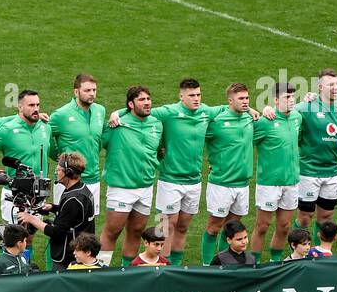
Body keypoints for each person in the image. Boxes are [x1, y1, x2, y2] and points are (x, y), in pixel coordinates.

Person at [141, 78, 222, 266]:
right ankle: (160, 265)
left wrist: (252, 110)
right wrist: (117, 115)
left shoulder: (205, 112)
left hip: (194, 181)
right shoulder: (168, 112)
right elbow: (139, 112)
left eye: (199, 94)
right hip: (169, 180)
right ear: (181, 96)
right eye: (192, 95)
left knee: (183, 227)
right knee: (163, 228)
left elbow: (228, 108)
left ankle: (175, 267)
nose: (196, 99)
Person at [99, 86, 163, 266]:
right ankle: (100, 271)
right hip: (121, 187)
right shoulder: (117, 124)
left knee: (136, 231)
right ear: (130, 104)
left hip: (145, 186)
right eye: (142, 100)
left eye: (148, 99)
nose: (147, 102)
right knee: (113, 231)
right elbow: (99, 142)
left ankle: (127, 272)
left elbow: (156, 150)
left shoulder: (157, 124)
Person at [0, 90, 51, 265]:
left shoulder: (45, 127)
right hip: (15, 195)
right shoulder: (7, 130)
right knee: (13, 236)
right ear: (20, 107)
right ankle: (8, 269)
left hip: (39, 194)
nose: (36, 109)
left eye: (37, 105)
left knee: (29, 236)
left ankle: (25, 269)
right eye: (31, 105)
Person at [200, 84, 257, 265]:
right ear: (230, 101)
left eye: (247, 98)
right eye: (241, 99)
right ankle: (208, 267)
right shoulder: (216, 119)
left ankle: (225, 261)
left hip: (242, 183)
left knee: (231, 228)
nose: (245, 102)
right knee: (214, 228)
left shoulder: (250, 117)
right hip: (221, 183)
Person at [47, 74, 106, 238]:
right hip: (68, 180)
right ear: (76, 92)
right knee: (60, 228)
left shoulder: (100, 111)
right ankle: (55, 264)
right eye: (87, 90)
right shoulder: (61, 115)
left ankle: (83, 263)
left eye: (94, 90)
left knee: (86, 228)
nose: (92, 94)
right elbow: (45, 136)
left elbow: (100, 137)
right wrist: (58, 157)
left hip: (93, 178)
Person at [16, 152, 96, 271]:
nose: (56, 172)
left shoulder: (73, 199)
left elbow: (56, 232)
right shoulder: (81, 189)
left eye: (59, 170)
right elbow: (76, 215)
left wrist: (31, 219)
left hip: (68, 257)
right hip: (82, 248)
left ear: (67, 173)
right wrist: (54, 207)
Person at [251, 83, 302, 262]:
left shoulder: (297, 117)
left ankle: (275, 263)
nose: (291, 101)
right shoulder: (265, 121)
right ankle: (254, 265)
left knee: (284, 226)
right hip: (269, 182)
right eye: (287, 97)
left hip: (292, 181)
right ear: (276, 100)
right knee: (262, 226)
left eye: (293, 97)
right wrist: (262, 110)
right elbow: (245, 141)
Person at [295, 68, 337, 233]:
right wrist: (267, 110)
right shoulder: (306, 107)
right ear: (320, 87)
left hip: (331, 171)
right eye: (330, 84)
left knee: (326, 217)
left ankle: (318, 254)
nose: (335, 87)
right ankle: (297, 254)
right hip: (309, 172)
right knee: (304, 217)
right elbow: (284, 112)